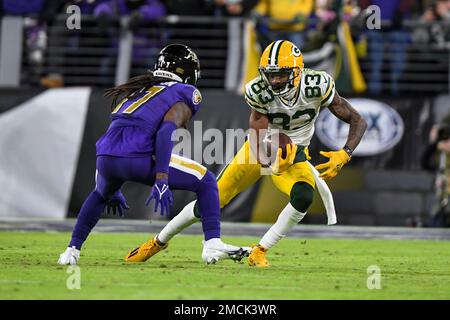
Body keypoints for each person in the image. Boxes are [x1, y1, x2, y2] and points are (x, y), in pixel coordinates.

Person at [125, 40, 367, 267]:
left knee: (303, 197)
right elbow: (259, 137)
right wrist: (273, 146)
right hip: (258, 147)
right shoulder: (258, 90)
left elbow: (357, 120)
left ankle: (259, 250)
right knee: (211, 201)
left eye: (281, 74)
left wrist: (345, 153)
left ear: (297, 72)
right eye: (270, 75)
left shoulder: (318, 85)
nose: (274, 81)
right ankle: (157, 242)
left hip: (294, 154)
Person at [57, 44, 249, 265]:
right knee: (205, 180)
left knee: (100, 195)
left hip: (107, 157)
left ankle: (71, 251)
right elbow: (166, 131)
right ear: (186, 71)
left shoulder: (139, 90)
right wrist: (161, 178)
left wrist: (110, 184)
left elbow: (111, 138)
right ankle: (212, 243)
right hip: (137, 156)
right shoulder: (185, 92)